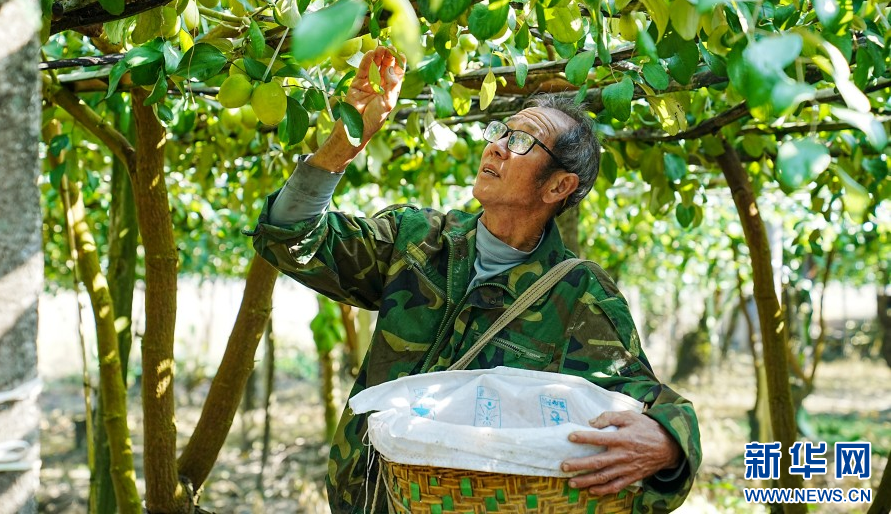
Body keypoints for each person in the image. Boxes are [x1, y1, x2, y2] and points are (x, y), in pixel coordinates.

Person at [249, 47, 701, 513]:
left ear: (558, 186)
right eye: (500, 132)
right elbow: (290, 236)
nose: (496, 146)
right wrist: (345, 142)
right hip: (369, 501)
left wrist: (669, 444)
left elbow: (651, 405)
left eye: (521, 141)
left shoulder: (579, 297)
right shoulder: (416, 240)